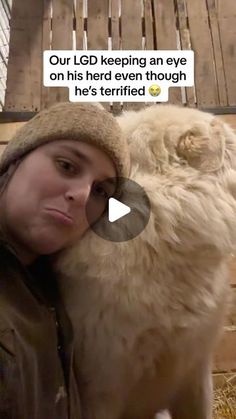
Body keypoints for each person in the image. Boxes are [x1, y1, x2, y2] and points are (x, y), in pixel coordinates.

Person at [0, 102, 130, 419]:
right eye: (67, 166)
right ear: (15, 161)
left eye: (101, 191)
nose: (83, 195)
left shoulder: (54, 289)